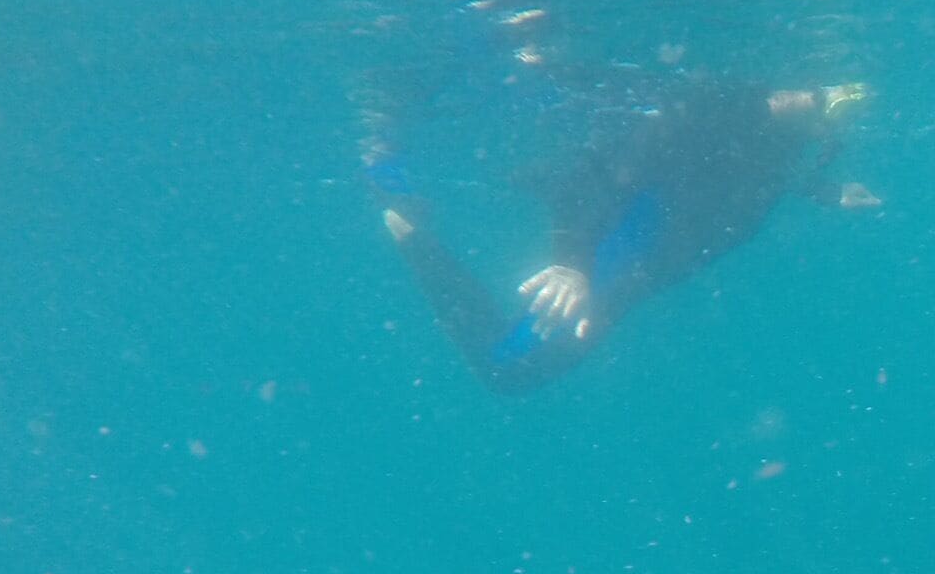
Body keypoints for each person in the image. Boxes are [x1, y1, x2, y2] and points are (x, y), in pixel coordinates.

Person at [370, 75, 870, 393]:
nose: (828, 115)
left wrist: (819, 189)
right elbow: (618, 175)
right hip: (615, 254)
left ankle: (397, 188)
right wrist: (573, 264)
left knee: (511, 371)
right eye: (827, 99)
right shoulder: (714, 111)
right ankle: (403, 218)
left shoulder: (766, 134)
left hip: (635, 267)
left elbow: (743, 171)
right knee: (508, 368)